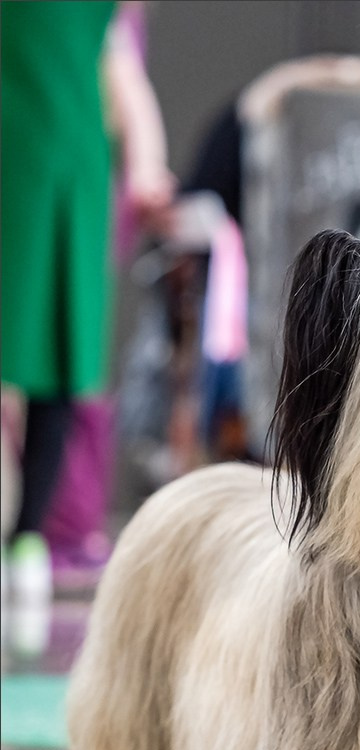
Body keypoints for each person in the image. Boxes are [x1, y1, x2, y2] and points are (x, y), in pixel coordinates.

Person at [1, 1, 174, 601]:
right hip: (61, 163)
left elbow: (124, 76)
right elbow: (125, 76)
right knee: (56, 359)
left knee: (57, 359)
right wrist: (147, 162)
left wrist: (148, 163)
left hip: (60, 168)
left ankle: (26, 542)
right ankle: (24, 543)